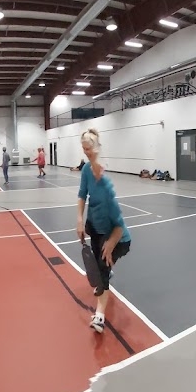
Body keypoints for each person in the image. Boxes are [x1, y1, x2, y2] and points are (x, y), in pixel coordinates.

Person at [76, 129, 131, 334]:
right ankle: (107, 269)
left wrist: (112, 243)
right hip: (96, 231)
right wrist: (80, 219)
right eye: (83, 149)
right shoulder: (86, 170)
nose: (86, 152)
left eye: (88, 149)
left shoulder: (107, 187)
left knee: (101, 274)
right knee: (101, 265)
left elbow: (119, 224)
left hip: (117, 238)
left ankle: (99, 316)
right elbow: (82, 194)